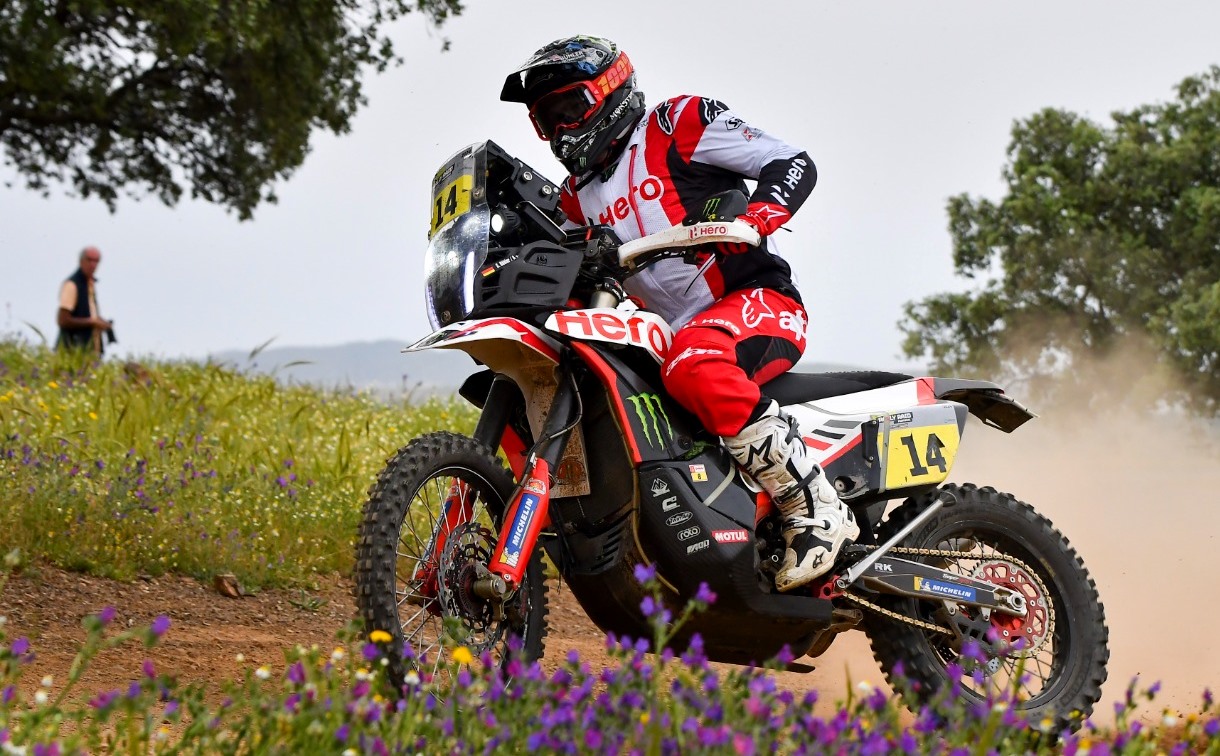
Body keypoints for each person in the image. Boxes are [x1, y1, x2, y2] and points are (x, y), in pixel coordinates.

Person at [500, 36, 859, 592]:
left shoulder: (676, 124)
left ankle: (814, 505)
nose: (564, 130)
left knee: (693, 365)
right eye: (549, 121)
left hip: (758, 303)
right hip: (672, 335)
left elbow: (791, 162)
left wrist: (757, 216)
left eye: (570, 109)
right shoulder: (575, 197)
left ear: (609, 92)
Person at [56, 246, 114, 356]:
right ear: (81, 261)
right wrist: (92, 322)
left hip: (89, 353)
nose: (93, 265)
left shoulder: (89, 286)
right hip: (71, 352)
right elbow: (63, 320)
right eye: (89, 260)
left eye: (96, 261)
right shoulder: (72, 285)